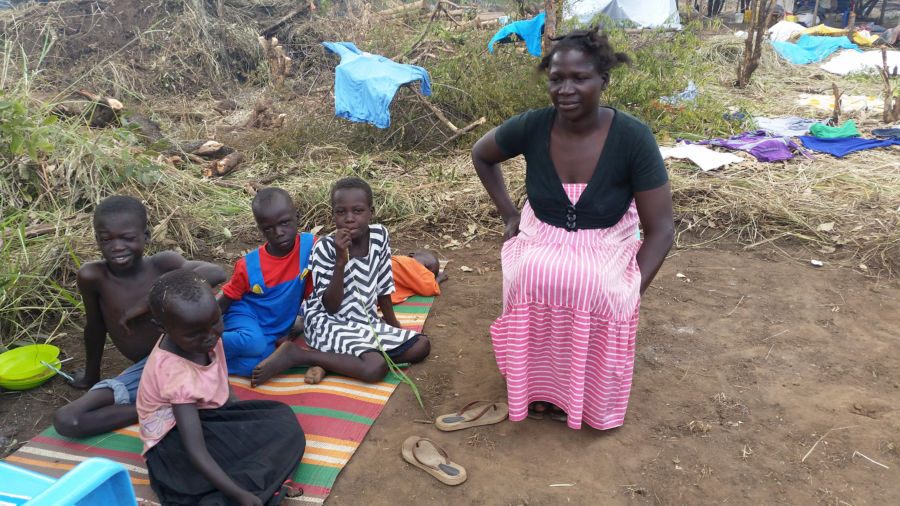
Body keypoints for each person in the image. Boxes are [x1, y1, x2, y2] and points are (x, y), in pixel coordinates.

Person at [470, 27, 674, 430]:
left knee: (595, 285)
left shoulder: (632, 137)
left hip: (607, 238)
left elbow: (662, 229)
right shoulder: (532, 126)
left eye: (579, 78)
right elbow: (481, 154)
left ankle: (582, 394)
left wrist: (632, 288)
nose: (565, 89)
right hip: (542, 230)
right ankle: (537, 389)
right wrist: (510, 215)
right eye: (557, 79)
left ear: (603, 80)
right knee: (529, 275)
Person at [53, 195, 226, 438]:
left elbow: (215, 272)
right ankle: (159, 404)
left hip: (182, 355)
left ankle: (181, 397)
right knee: (67, 420)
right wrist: (91, 375)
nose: (117, 246)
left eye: (127, 238)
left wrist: (146, 302)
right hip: (146, 370)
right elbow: (95, 327)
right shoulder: (93, 277)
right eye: (107, 239)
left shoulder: (162, 264)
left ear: (146, 236)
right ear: (97, 241)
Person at [138, 269, 305, 506]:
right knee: (219, 483)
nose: (210, 336)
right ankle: (240, 494)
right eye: (194, 333)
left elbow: (222, 387)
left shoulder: (206, 335)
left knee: (282, 421)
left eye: (215, 321)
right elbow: (195, 450)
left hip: (204, 418)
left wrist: (246, 423)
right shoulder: (176, 375)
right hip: (174, 447)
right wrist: (240, 495)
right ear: (161, 327)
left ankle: (249, 488)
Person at [251, 177, 431, 387]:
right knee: (375, 367)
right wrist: (340, 260)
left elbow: (384, 285)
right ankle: (298, 355)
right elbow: (331, 306)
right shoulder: (324, 248)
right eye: (341, 212)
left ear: (371, 212)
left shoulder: (380, 236)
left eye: (358, 211)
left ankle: (330, 361)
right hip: (328, 323)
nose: (349, 218)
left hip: (364, 322)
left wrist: (394, 327)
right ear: (333, 215)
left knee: (421, 345)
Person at [217, 187, 316, 377]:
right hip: (244, 317)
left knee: (256, 365)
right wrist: (198, 327)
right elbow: (226, 300)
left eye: (284, 223)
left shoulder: (310, 247)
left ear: (298, 217)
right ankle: (202, 346)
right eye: (268, 228)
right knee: (253, 342)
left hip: (273, 328)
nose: (279, 232)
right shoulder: (249, 266)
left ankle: (210, 363)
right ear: (260, 229)